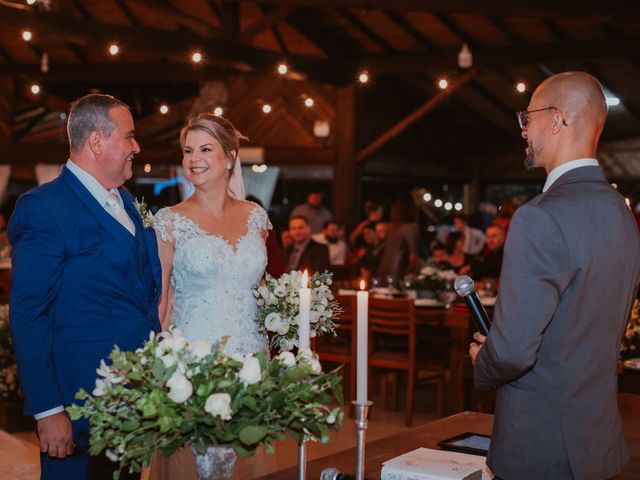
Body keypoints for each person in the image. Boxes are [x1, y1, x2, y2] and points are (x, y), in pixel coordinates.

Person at [470, 72, 640, 480]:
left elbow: (512, 352)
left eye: (526, 118)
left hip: (539, 446)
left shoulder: (538, 217)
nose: (524, 131)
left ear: (556, 119)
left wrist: (484, 361)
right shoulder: (621, 212)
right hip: (597, 444)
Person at [9, 94, 161, 480]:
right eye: (129, 137)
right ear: (97, 141)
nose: (136, 146)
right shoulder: (43, 207)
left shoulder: (127, 203)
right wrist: (48, 409)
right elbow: (29, 315)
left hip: (131, 399)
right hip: (78, 404)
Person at [150, 113, 271, 480]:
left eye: (205, 149)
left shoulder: (256, 217)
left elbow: (261, 289)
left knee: (244, 462)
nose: (194, 159)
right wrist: (156, 367)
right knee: (193, 464)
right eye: (188, 151)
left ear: (230, 156)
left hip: (251, 357)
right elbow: (162, 299)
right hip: (194, 362)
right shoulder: (169, 221)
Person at [376, 196, 420, 281]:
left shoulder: (392, 228)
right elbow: (413, 256)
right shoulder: (411, 228)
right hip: (398, 273)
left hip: (383, 270)